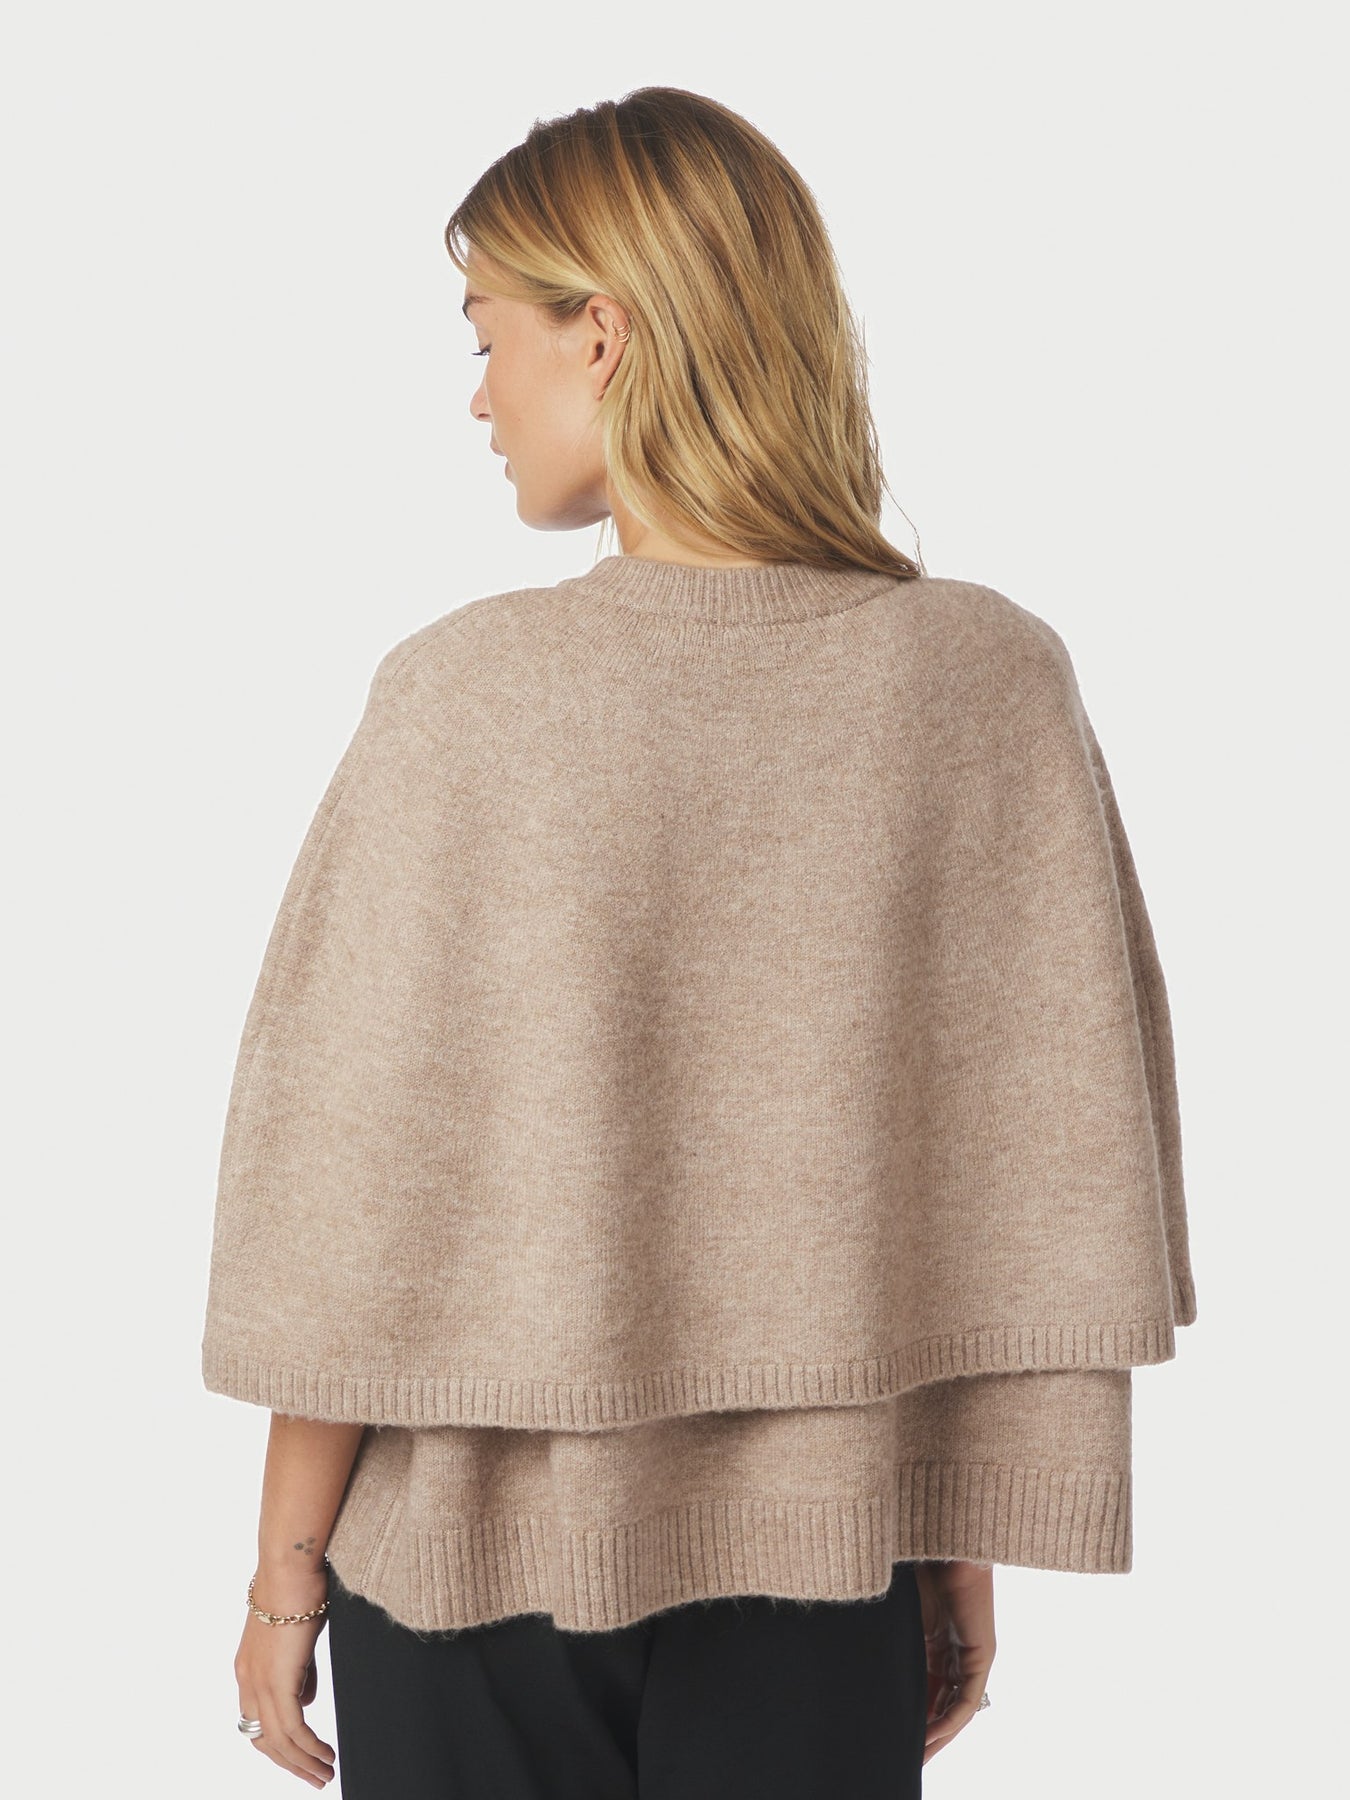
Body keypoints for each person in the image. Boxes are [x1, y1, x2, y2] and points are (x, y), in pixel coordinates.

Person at [203, 86, 1197, 1798]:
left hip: (466, 1574)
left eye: (486, 338)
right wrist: (942, 1520)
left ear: (600, 336)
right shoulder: (987, 680)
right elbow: (1020, 1148)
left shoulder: (467, 696)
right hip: (830, 1557)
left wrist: (283, 1573)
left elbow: (356, 1188)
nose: (476, 396)